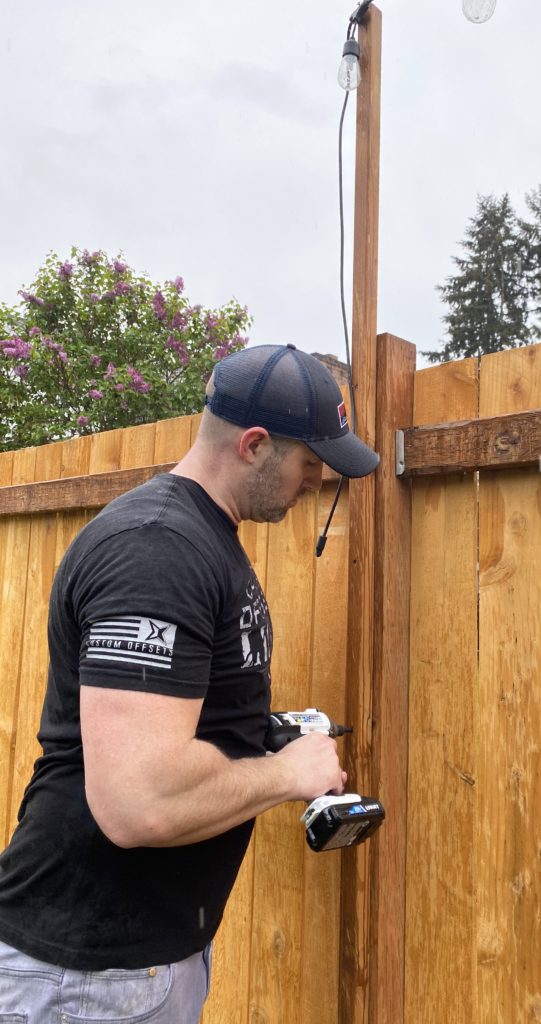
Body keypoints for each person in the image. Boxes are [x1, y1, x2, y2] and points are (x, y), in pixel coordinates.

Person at [0, 343, 379, 1023]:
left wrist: (264, 732)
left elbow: (180, 716)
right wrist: (282, 773)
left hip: (134, 966)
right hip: (88, 975)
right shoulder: (158, 550)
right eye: (310, 465)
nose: (316, 483)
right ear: (255, 445)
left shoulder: (202, 540)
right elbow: (135, 800)